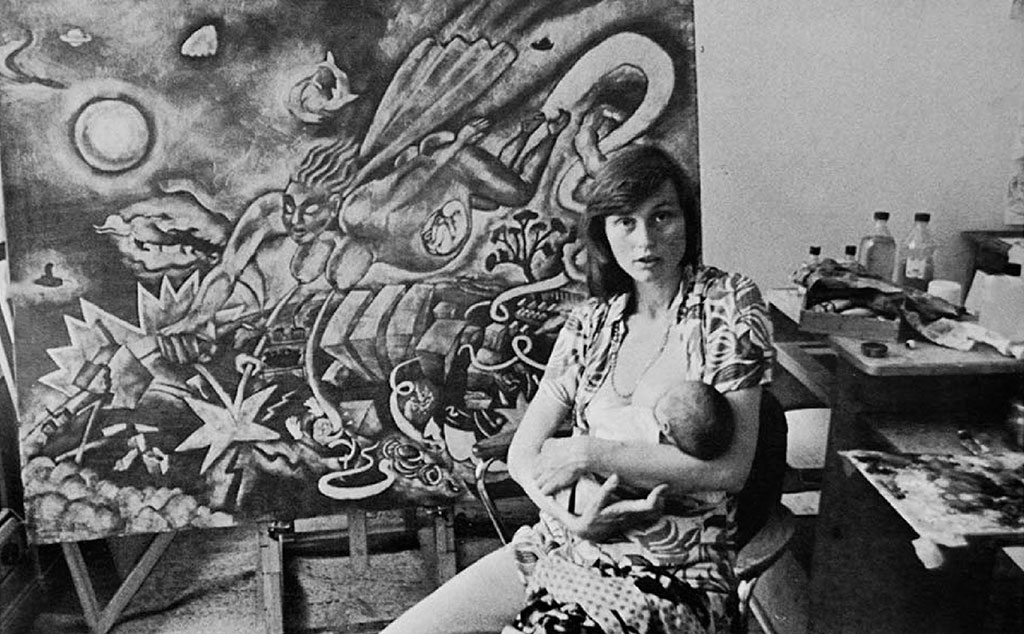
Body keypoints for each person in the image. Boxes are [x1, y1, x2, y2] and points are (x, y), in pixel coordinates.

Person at [380, 144, 773, 634]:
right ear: (604, 232)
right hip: (562, 544)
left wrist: (590, 453)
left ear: (687, 221)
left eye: (662, 216)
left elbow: (731, 469)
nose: (645, 240)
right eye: (625, 222)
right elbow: (524, 454)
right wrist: (569, 520)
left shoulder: (728, 304)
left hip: (671, 568)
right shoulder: (589, 324)